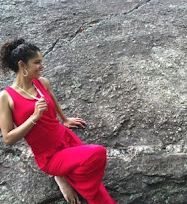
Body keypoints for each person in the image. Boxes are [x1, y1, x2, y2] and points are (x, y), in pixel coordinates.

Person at [0, 38, 116, 204]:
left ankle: (68, 177)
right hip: (49, 157)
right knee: (97, 153)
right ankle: (62, 176)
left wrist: (65, 119)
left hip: (66, 139)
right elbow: (8, 138)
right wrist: (34, 117)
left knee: (103, 198)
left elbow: (52, 100)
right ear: (21, 65)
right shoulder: (6, 97)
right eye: (37, 62)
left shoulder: (42, 83)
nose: (42, 66)